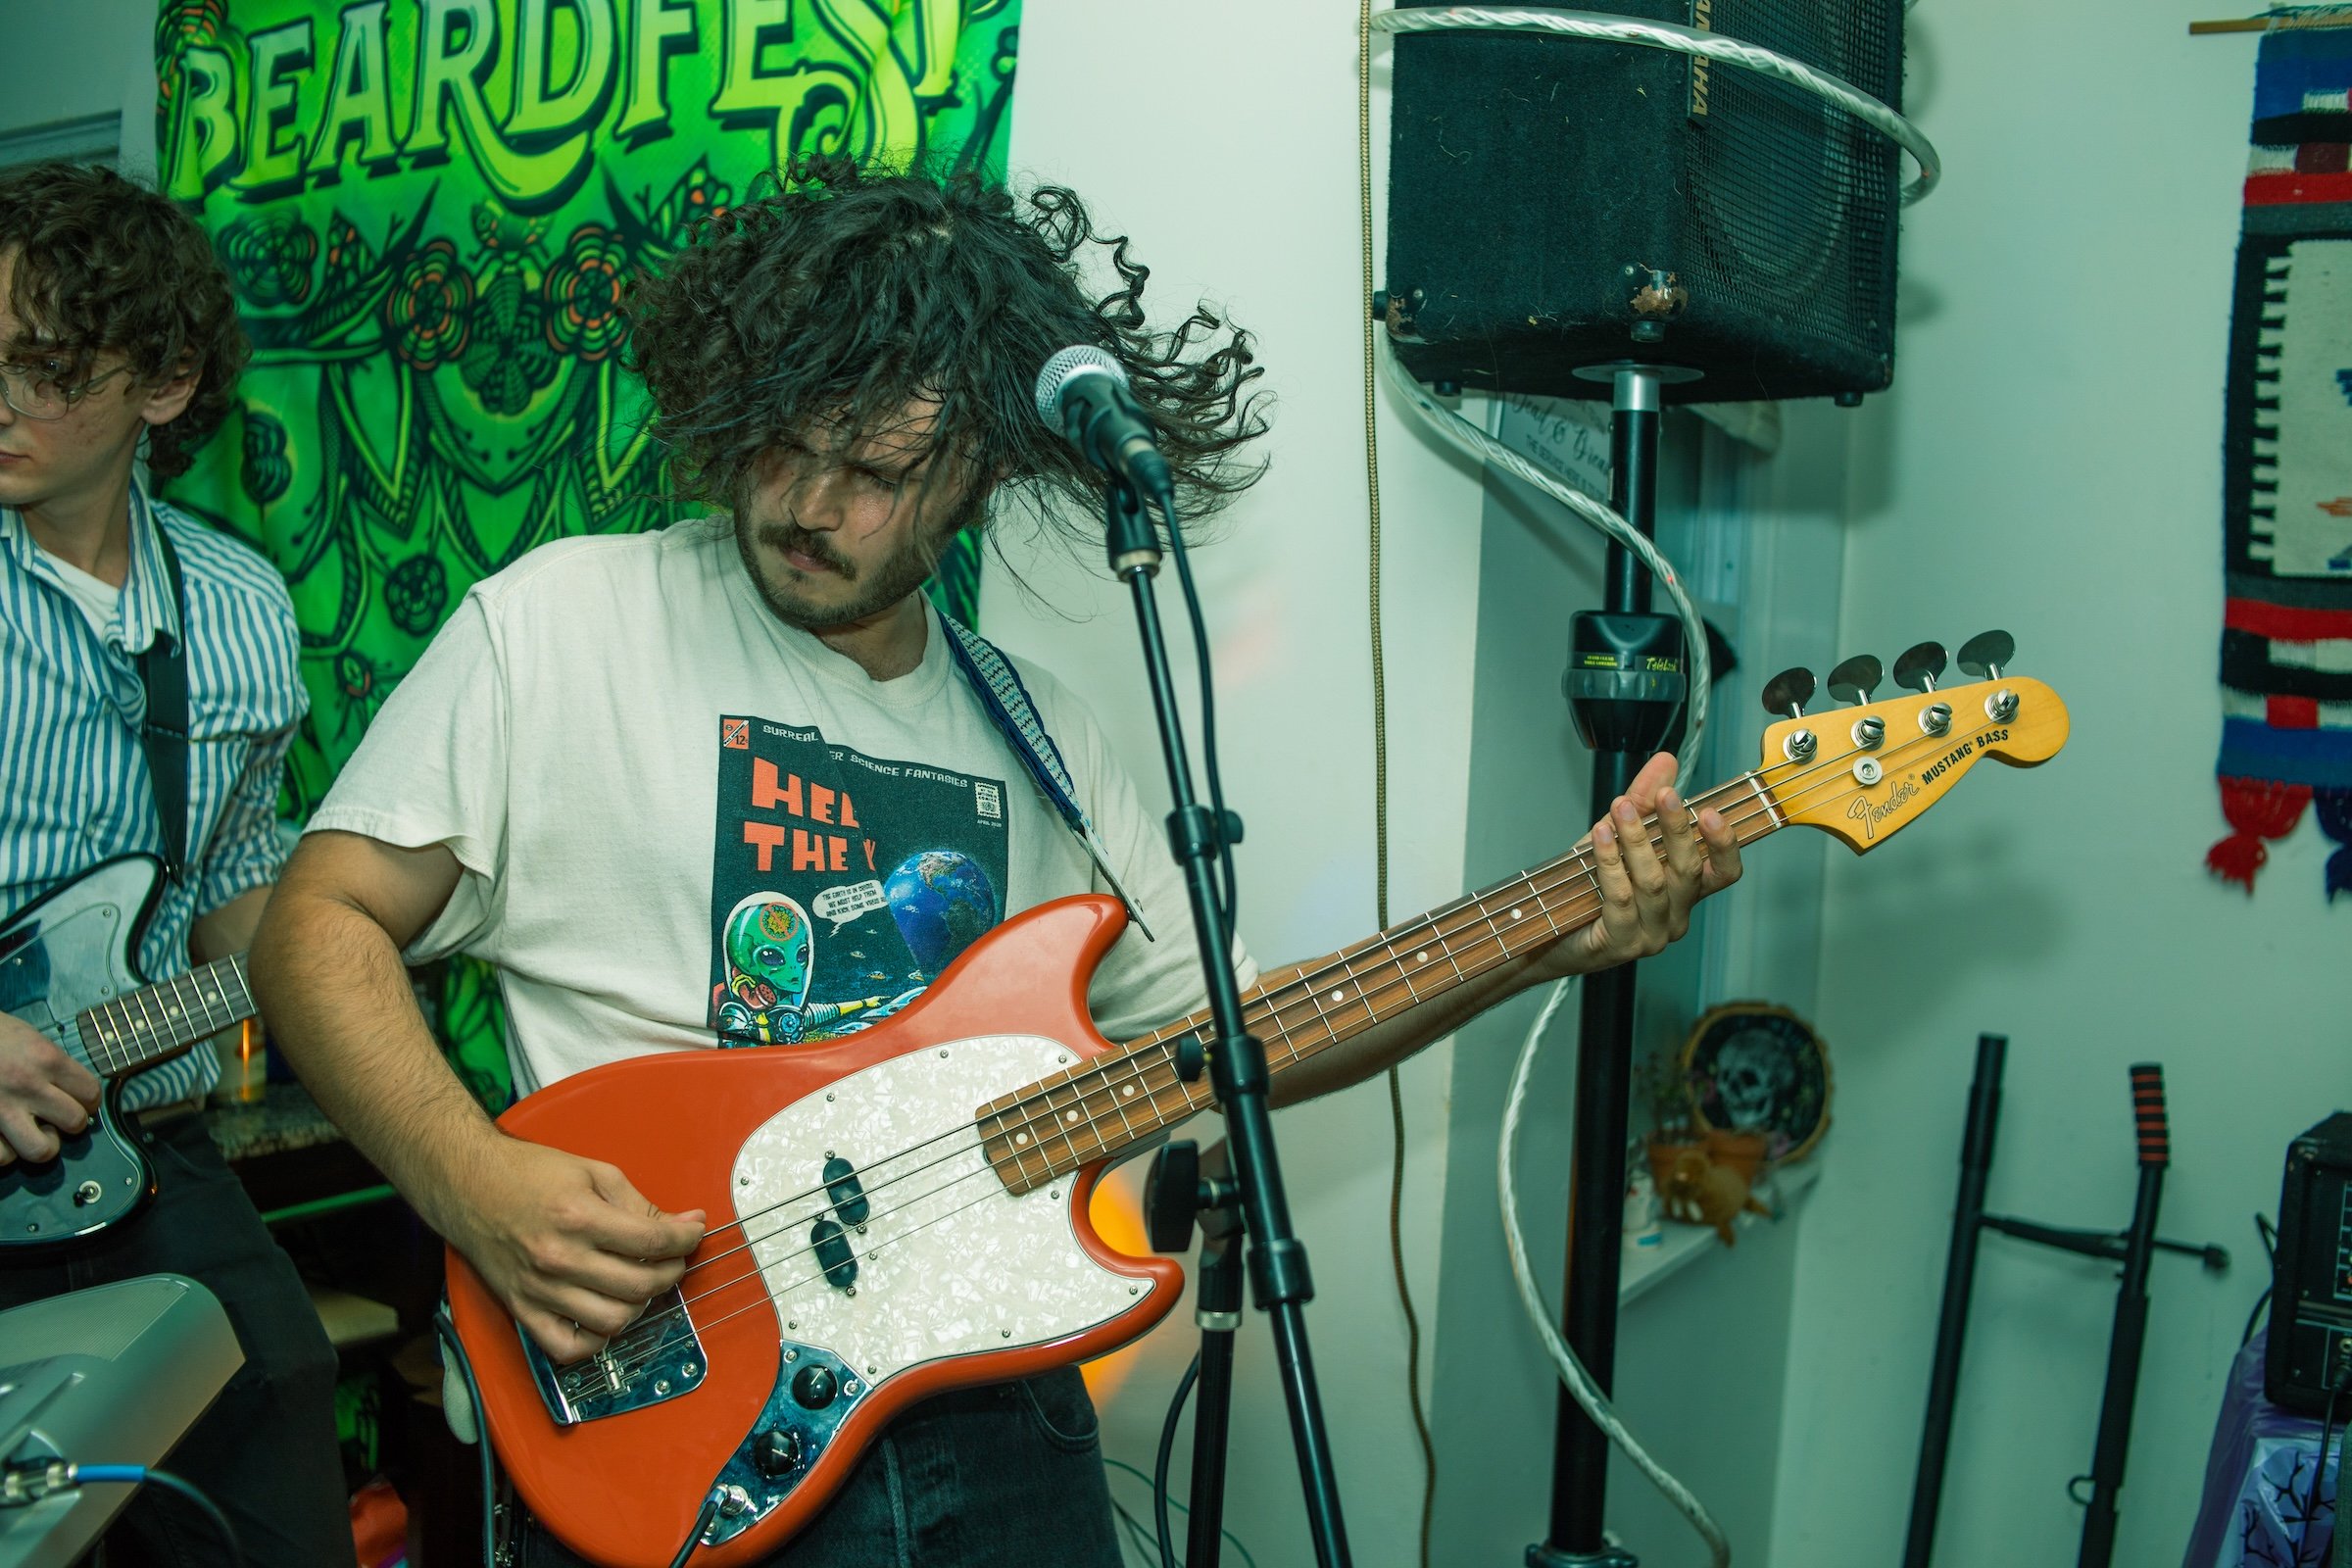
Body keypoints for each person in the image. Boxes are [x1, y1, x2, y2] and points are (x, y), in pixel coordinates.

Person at [250, 157, 1743, 1567]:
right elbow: (318, 924)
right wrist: (473, 1182)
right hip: (673, 1387)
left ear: (979, 470)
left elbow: (1232, 1041)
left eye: (874, 469)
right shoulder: (561, 626)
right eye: (784, 441)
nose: (808, 505)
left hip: (997, 1408)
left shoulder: (1047, 734)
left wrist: (1542, 943)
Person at [0, 162, 349, 1565]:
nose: (1, 400)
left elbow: (235, 884)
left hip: (145, 1145)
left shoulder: (240, 606)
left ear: (164, 383)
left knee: (279, 1432)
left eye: (44, 370)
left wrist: (351, 941)